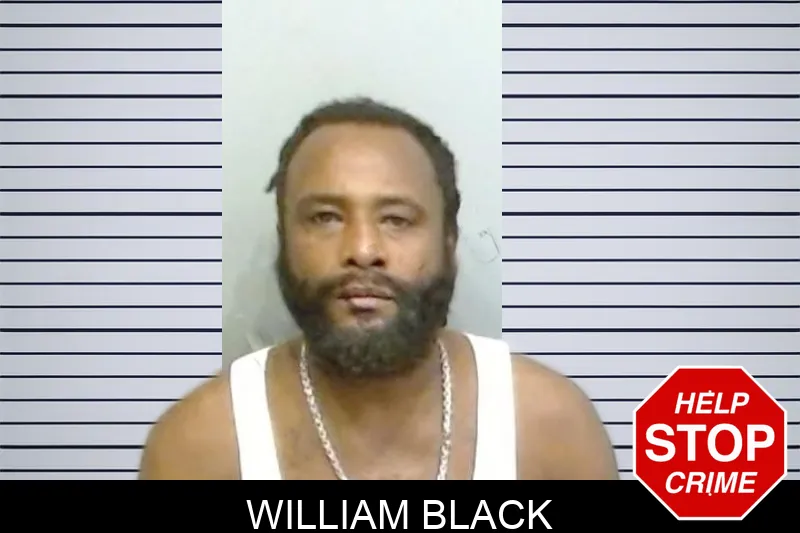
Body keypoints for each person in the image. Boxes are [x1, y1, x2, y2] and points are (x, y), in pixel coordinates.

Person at [139, 97, 619, 480]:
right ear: (285, 239)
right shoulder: (200, 446)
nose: (363, 250)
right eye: (325, 218)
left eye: (397, 219)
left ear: (449, 241)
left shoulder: (550, 428)